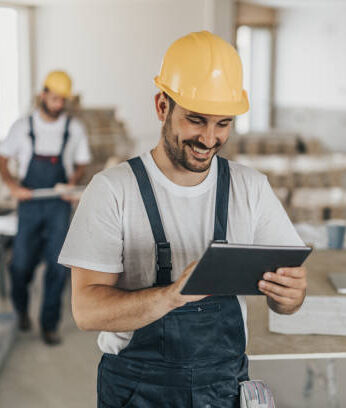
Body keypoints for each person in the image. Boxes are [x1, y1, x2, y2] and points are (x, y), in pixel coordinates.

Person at [59, 31, 307, 407]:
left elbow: (286, 300)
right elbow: (87, 311)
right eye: (196, 120)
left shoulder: (251, 189)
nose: (209, 138)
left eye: (223, 123)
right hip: (135, 392)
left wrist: (290, 297)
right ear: (162, 106)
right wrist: (172, 296)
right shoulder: (112, 190)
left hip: (222, 389)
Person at [0, 71, 91, 345]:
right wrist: (14, 186)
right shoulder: (22, 127)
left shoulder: (74, 129)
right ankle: (21, 311)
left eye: (61, 100)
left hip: (57, 206)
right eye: (53, 99)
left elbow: (82, 162)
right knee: (21, 265)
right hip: (29, 204)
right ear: (43, 95)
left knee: (58, 267)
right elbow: (2, 158)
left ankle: (49, 324)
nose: (57, 105)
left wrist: (70, 184)